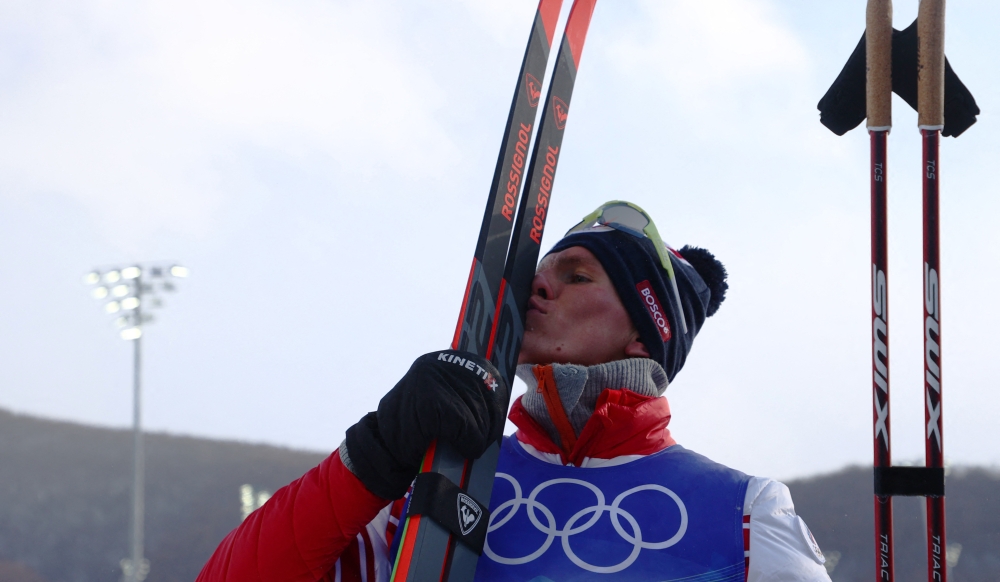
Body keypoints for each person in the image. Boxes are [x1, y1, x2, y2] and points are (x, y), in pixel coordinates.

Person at [197, 201, 832, 581]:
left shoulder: (742, 513)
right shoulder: (436, 488)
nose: (538, 287)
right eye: (539, 273)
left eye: (577, 276)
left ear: (645, 334)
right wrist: (376, 453)